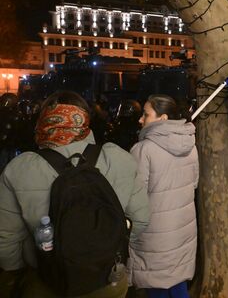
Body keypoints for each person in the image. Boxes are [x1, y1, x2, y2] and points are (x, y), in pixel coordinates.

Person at [0, 90, 150, 298]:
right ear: (84, 120)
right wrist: (107, 251)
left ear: (43, 120)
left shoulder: (20, 168)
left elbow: (7, 238)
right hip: (107, 281)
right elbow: (141, 219)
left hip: (48, 279)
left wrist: (18, 273)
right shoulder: (118, 158)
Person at [128, 94, 199, 298]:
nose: (140, 119)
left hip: (155, 234)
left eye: (146, 114)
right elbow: (193, 183)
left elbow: (136, 197)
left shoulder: (143, 150)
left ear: (163, 118)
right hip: (183, 228)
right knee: (176, 283)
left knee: (157, 285)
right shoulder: (190, 145)